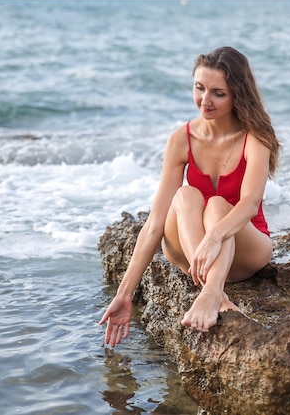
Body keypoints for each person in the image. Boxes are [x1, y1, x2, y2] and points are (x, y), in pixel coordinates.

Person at [99, 46, 280, 348]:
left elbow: (248, 204)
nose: (204, 101)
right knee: (184, 196)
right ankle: (213, 291)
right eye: (199, 88)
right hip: (188, 251)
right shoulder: (181, 139)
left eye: (218, 93)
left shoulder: (255, 139)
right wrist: (124, 294)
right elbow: (155, 223)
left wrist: (214, 237)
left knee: (220, 205)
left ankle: (211, 292)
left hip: (246, 251)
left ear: (238, 94)